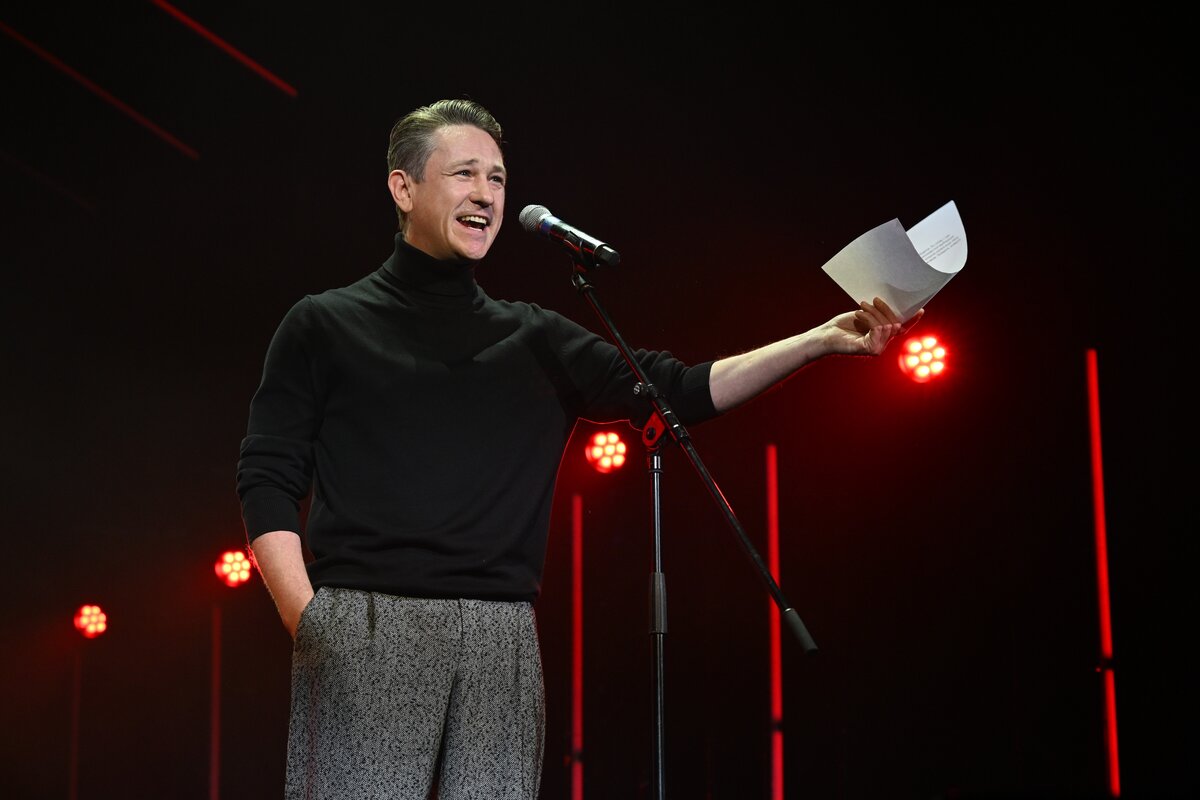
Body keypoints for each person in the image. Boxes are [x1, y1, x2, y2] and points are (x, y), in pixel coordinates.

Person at [236, 97, 922, 799]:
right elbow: (267, 476)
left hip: (501, 636)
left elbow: (677, 389)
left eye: (498, 179)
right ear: (403, 188)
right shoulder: (324, 323)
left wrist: (818, 341)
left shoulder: (532, 337)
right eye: (464, 173)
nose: (486, 195)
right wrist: (310, 621)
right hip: (368, 624)